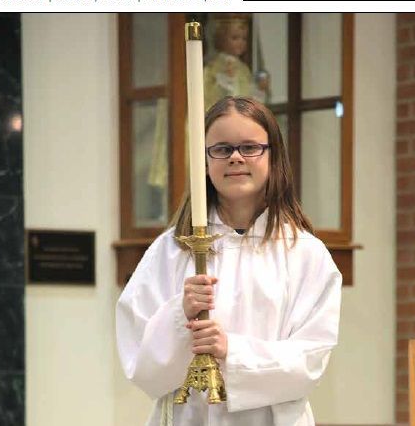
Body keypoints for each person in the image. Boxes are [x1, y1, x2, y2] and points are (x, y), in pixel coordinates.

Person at [116, 96, 341, 426]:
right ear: (204, 162)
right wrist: (180, 314)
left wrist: (230, 351)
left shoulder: (305, 254)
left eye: (250, 147)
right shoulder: (172, 250)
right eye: (221, 149)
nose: (235, 158)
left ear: (273, 156)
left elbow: (310, 361)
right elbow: (139, 362)